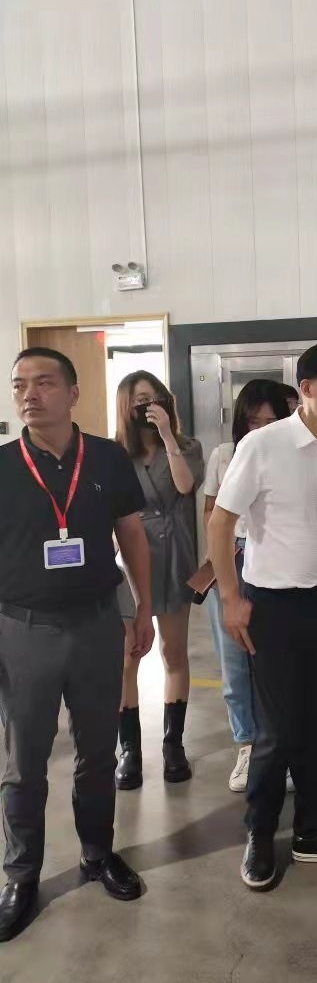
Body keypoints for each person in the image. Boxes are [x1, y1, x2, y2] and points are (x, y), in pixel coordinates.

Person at [208, 341, 317, 890]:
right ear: (306, 389)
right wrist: (231, 599)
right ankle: (260, 833)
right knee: (277, 732)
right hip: (274, 608)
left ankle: (313, 831)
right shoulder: (262, 445)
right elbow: (220, 522)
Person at [0, 349, 154, 941]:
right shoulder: (4, 465)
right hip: (24, 629)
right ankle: (21, 876)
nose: (29, 395)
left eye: (43, 383)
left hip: (95, 625)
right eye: (19, 385)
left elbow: (131, 534)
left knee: (97, 752)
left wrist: (142, 608)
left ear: (72, 393)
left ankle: (97, 853)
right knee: (24, 763)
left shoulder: (107, 458)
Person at [114, 371, 205, 789]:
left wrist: (168, 435)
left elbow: (185, 486)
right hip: (131, 559)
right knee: (128, 657)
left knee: (174, 653)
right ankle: (129, 750)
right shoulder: (114, 454)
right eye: (137, 400)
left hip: (175, 556)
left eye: (152, 398)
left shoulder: (187, 446)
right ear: (125, 406)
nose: (146, 406)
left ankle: (173, 744)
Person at [203, 380, 291, 791]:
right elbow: (211, 514)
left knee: (275, 662)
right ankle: (246, 744)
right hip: (234, 559)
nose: (262, 429)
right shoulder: (224, 454)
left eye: (271, 421)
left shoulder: (295, 454)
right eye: (254, 421)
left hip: (276, 563)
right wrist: (220, 570)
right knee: (235, 662)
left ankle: (279, 748)